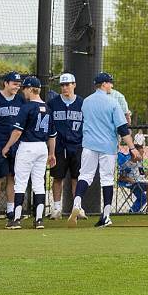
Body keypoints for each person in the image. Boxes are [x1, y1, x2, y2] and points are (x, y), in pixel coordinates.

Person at [67, 72, 140, 228]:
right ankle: (106, 215)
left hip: (88, 145)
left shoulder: (85, 102)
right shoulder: (112, 103)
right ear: (104, 84)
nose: (111, 86)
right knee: (106, 179)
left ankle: (77, 203)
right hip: (107, 146)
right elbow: (122, 128)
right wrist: (132, 147)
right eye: (110, 83)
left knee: (85, 176)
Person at [1, 76, 57, 230]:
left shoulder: (27, 107)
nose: (23, 91)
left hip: (27, 147)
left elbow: (17, 132)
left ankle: (17, 219)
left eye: (24, 88)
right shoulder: (47, 108)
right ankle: (39, 220)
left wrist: (7, 147)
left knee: (20, 183)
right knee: (39, 184)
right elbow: (52, 136)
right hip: (42, 148)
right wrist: (52, 154)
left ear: (30, 89)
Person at [0, 71, 25, 221]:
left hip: (16, 144)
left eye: (18, 84)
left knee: (12, 176)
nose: (17, 87)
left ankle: (10, 209)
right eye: (14, 84)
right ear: (6, 83)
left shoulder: (21, 101)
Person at [47, 73, 84, 220]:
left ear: (74, 85)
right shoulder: (53, 103)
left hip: (76, 145)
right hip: (59, 146)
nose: (65, 87)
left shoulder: (82, 103)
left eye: (67, 84)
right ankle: (56, 208)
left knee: (77, 177)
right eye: (62, 85)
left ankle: (77, 207)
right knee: (57, 177)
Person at [121, 143, 148, 212]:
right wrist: (128, 179)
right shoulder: (127, 164)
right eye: (141, 153)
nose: (143, 155)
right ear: (135, 154)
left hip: (141, 181)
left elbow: (143, 176)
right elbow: (121, 178)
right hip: (134, 183)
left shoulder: (139, 163)